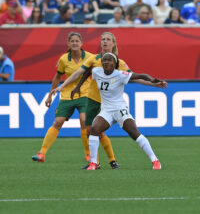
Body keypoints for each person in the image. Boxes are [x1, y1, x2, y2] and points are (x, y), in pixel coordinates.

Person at [51, 32, 147, 169]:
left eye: (108, 40)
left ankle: (112, 160)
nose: (105, 42)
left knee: (99, 131)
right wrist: (62, 86)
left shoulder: (119, 63)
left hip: (109, 103)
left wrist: (153, 83)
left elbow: (134, 77)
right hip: (93, 99)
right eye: (103, 39)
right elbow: (79, 73)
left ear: (113, 43)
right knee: (89, 130)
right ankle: (95, 162)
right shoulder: (93, 59)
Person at [85, 53, 167, 170]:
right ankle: (93, 163)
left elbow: (141, 76)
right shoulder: (96, 71)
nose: (106, 62)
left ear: (115, 63)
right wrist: (78, 87)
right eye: (104, 60)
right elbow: (86, 72)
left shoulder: (120, 75)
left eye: (109, 60)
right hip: (106, 110)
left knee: (134, 133)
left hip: (120, 109)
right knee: (94, 129)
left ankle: (155, 160)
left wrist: (153, 80)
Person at [32, 32, 93, 163]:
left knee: (84, 121)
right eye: (72, 41)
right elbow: (58, 77)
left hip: (85, 94)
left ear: (81, 43)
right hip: (67, 95)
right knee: (57, 122)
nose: (75, 43)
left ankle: (88, 154)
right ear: (68, 43)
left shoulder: (90, 57)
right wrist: (50, 95)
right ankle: (42, 153)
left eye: (77, 41)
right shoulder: (64, 59)